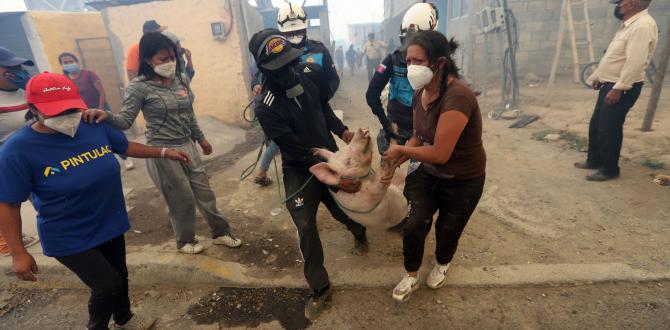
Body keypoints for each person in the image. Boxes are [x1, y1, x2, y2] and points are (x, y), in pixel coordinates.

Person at [0, 72, 191, 330]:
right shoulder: (17, 150)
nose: (66, 116)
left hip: (109, 221)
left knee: (120, 276)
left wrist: (164, 152)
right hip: (69, 234)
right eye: (56, 112)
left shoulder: (92, 124)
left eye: (70, 108)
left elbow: (124, 147)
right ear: (33, 109)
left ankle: (125, 320)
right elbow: (8, 203)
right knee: (106, 285)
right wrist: (19, 253)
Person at [83, 32, 242, 254]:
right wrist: (106, 115)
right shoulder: (138, 87)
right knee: (181, 199)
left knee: (205, 193)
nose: (170, 63)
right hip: (162, 151)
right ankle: (185, 240)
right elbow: (125, 121)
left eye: (173, 57)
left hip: (188, 145)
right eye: (163, 58)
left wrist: (200, 138)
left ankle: (221, 233)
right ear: (148, 60)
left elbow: (189, 113)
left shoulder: (181, 79)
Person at [249, 28, 366, 320]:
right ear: (264, 70)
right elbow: (297, 149)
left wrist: (344, 132)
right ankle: (320, 287)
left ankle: (359, 231)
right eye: (280, 68)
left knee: (342, 211)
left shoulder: (307, 76)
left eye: (290, 62)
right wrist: (337, 177)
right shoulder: (266, 109)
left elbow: (324, 110)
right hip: (299, 167)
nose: (289, 71)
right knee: (304, 224)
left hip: (329, 153)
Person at [381, 31, 486, 302]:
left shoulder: (457, 97)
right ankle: (411, 274)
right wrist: (396, 162)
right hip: (429, 172)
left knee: (448, 228)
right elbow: (419, 137)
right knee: (415, 223)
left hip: (463, 178)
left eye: (418, 61)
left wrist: (400, 149)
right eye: (408, 61)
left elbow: (440, 153)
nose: (411, 67)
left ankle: (442, 263)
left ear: (439, 63)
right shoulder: (420, 93)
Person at [250, 1, 341, 188]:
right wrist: (257, 86)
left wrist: (317, 101)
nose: (294, 36)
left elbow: (332, 80)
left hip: (312, 108)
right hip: (286, 109)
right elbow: (259, 76)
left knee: (323, 146)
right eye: (289, 34)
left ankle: (334, 180)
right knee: (284, 143)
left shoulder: (319, 50)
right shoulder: (273, 52)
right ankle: (264, 171)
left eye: (297, 31)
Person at [577, 0, 658, 181]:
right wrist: (598, 77)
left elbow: (635, 62)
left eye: (619, 2)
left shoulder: (642, 26)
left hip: (622, 88)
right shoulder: (629, 25)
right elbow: (613, 57)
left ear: (630, 4)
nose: (617, 6)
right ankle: (594, 160)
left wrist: (619, 88)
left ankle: (610, 169)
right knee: (597, 124)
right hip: (610, 84)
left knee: (609, 129)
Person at [367, 2, 439, 155]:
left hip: (425, 127)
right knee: (388, 164)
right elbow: (371, 93)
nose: (410, 54)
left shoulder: (439, 63)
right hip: (397, 124)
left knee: (420, 173)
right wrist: (387, 125)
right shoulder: (391, 60)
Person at [58, 52, 135, 171]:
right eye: (65, 63)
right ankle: (107, 162)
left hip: (100, 109)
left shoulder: (88, 74)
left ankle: (126, 157)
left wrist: (101, 109)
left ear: (77, 62)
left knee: (114, 133)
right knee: (94, 138)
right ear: (62, 65)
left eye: (71, 61)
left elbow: (101, 92)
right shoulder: (65, 80)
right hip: (84, 114)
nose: (69, 64)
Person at [0, 46, 38, 255]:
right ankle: (9, 244)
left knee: (44, 199)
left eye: (19, 65)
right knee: (9, 202)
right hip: (10, 162)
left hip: (37, 158)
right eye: (10, 67)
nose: (18, 70)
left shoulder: (26, 90)